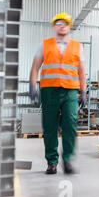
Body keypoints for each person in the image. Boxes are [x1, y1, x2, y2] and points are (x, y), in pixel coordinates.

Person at [29, 13, 87, 175]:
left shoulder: (77, 46)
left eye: (65, 23)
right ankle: (52, 162)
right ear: (54, 26)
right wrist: (32, 85)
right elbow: (35, 67)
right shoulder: (44, 44)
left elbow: (82, 71)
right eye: (59, 23)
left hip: (70, 91)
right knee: (49, 127)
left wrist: (83, 91)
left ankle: (67, 160)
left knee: (70, 124)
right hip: (49, 91)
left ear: (69, 27)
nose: (62, 26)